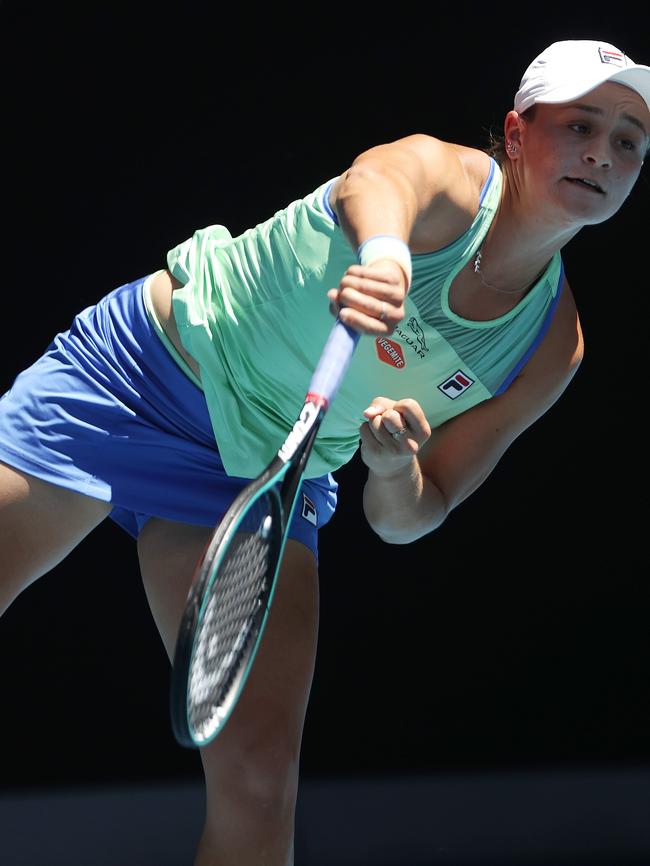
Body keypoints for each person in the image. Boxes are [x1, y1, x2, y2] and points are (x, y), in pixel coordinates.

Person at [0, 37, 649, 866]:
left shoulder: (551, 345)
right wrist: (385, 254)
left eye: (628, 141)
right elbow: (373, 181)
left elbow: (414, 515)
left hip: (264, 477)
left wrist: (391, 468)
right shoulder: (450, 184)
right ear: (517, 135)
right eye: (581, 124)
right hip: (140, 378)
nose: (602, 151)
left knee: (262, 782)